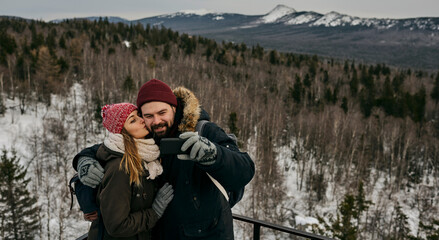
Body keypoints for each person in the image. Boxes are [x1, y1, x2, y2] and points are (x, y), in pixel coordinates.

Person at [73, 79, 255, 239]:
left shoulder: (203, 131)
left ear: (174, 108)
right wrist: (83, 160)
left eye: (162, 113)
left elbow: (244, 169)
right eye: (148, 116)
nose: (157, 121)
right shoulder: (146, 139)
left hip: (208, 234)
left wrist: (213, 155)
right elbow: (109, 150)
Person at [85, 102, 174, 240]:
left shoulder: (147, 157)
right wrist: (154, 212)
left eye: (139, 115)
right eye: (133, 120)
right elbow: (117, 226)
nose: (142, 120)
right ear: (123, 132)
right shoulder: (120, 168)